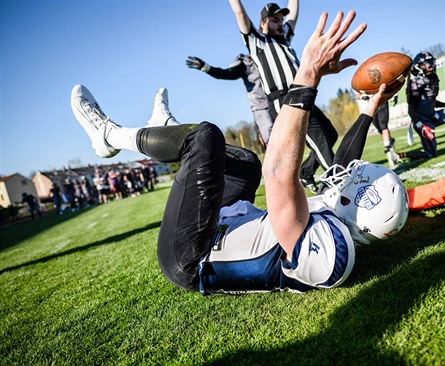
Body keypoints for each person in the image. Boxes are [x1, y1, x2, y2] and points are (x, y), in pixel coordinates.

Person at [70, 10, 408, 295]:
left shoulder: (329, 251)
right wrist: (368, 106)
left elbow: (278, 173)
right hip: (223, 223)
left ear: (358, 206)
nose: (349, 173)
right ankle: (165, 125)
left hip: (191, 256)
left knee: (204, 139)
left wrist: (307, 75)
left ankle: (109, 135)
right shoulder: (343, 221)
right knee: (246, 164)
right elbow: (341, 163)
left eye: (358, 180)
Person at [229, 0, 339, 193]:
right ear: (263, 23)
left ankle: (306, 172)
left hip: (304, 92)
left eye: (281, 19)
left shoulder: (284, 38)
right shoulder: (257, 41)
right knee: (320, 141)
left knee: (330, 134)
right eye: (274, 20)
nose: (280, 23)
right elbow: (240, 14)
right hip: (285, 99)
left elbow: (294, 13)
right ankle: (337, 185)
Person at [186, 54, 274, 147]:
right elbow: (228, 73)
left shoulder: (267, 56)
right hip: (261, 107)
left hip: (278, 100)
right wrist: (206, 67)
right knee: (271, 139)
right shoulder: (244, 63)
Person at [399, 51, 445, 161]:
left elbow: (431, 101)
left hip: (433, 115)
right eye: (427, 64)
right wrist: (421, 126)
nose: (431, 66)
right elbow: (411, 109)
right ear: (418, 66)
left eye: (431, 63)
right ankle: (399, 156)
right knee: (430, 154)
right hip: (423, 121)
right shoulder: (415, 83)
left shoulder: (432, 78)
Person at [356, 93, 401, 167]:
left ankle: (389, 154)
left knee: (383, 126)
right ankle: (390, 141)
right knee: (379, 128)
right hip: (372, 104)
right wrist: (362, 95)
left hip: (382, 100)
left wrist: (394, 94)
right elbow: (357, 94)